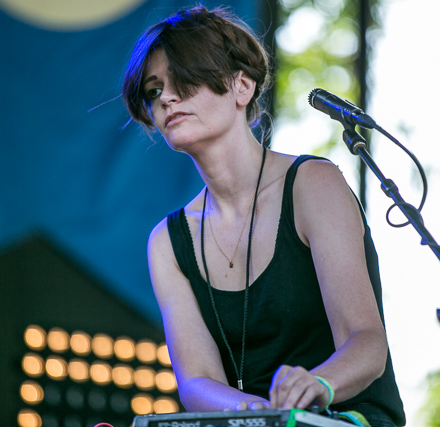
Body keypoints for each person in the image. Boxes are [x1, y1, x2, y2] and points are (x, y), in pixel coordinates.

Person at [121, 5, 405, 427]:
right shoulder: (167, 242)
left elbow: (366, 343)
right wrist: (259, 414)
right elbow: (196, 380)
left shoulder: (313, 185)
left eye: (183, 78)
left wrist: (318, 385)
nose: (165, 97)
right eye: (153, 90)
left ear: (242, 85)